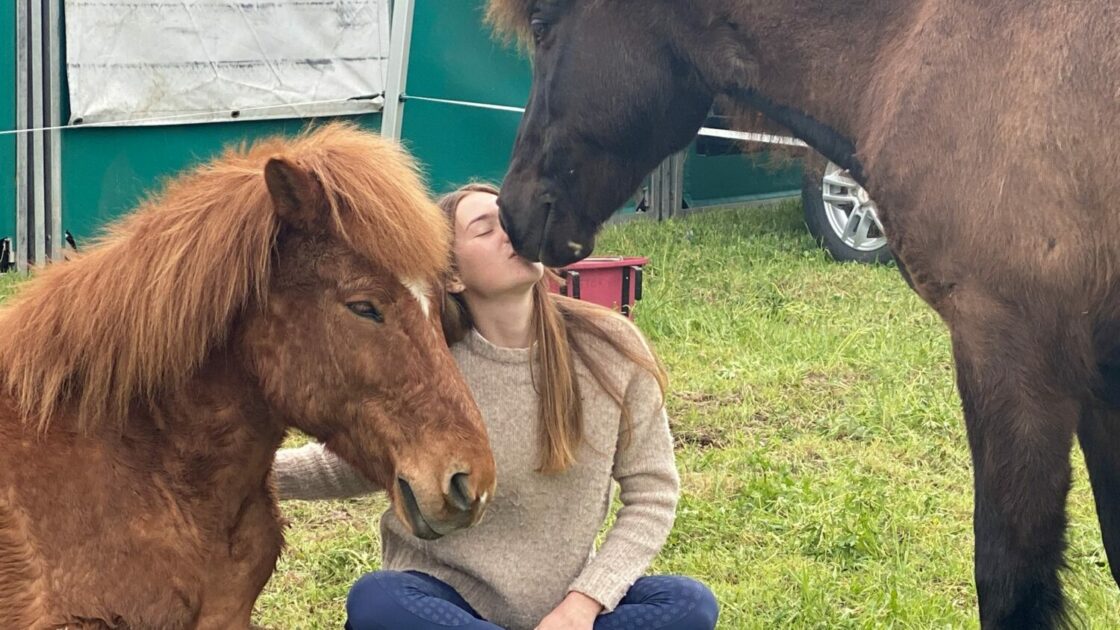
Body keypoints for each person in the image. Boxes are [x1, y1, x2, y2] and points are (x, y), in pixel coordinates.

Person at [273, 183, 719, 630]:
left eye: (514, 221)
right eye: (486, 230)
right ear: (451, 277)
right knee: (378, 601)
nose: (512, 234)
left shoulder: (610, 349)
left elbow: (653, 495)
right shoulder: (430, 366)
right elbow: (363, 463)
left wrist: (584, 602)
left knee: (688, 603)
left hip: (566, 612)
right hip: (446, 606)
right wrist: (243, 467)